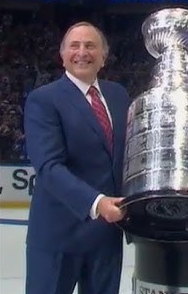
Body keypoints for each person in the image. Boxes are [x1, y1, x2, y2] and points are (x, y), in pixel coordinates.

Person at [23, 22, 131, 294]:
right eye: (75, 45)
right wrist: (96, 203)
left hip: (106, 236)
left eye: (90, 46)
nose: (82, 52)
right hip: (58, 236)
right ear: (62, 56)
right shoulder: (43, 100)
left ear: (104, 57)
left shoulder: (119, 96)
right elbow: (49, 167)